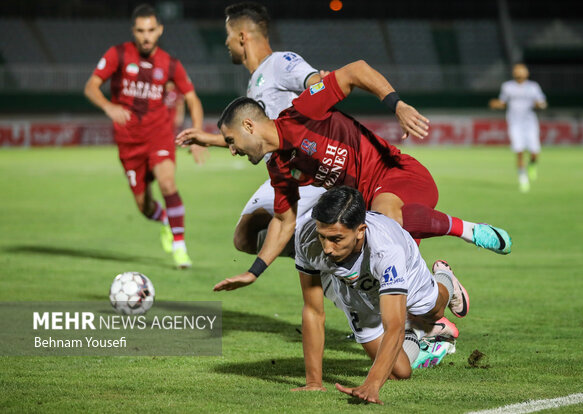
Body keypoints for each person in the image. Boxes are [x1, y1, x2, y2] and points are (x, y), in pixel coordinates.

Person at [191, 59, 511, 292]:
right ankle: (441, 290)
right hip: (372, 206)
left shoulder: (304, 111)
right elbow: (284, 222)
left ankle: (467, 229)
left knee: (380, 225)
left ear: (249, 126)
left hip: (399, 174)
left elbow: (355, 70)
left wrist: (396, 105)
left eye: (231, 141)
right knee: (382, 265)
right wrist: (254, 271)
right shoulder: (280, 167)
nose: (231, 149)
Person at [292, 186, 469, 404]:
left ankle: (444, 278)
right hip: (354, 291)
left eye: (336, 239)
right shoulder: (306, 237)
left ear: (360, 230)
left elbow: (393, 326)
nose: (327, 248)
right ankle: (417, 335)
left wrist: (372, 384)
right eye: (322, 237)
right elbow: (313, 310)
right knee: (399, 373)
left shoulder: (387, 249)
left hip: (406, 272)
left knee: (433, 311)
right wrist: (314, 383)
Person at [176, 1, 326, 257]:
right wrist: (209, 140)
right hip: (281, 173)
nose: (226, 43)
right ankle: (317, 253)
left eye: (229, 36)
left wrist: (318, 90)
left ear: (242, 37)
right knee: (244, 237)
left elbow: (316, 82)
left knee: (267, 232)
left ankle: (330, 255)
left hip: (307, 172)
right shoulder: (255, 81)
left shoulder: (280, 62)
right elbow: (254, 137)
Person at [84, 4, 204, 268]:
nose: (146, 36)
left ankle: (180, 245)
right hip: (128, 143)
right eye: (140, 31)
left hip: (158, 136)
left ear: (159, 30)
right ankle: (162, 219)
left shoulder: (171, 64)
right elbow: (91, 86)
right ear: (133, 31)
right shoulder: (118, 54)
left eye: (151, 30)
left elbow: (192, 98)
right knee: (143, 205)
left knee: (167, 183)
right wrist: (108, 106)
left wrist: (197, 134)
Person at [490, 63, 547, 193]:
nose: (519, 73)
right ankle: (523, 178)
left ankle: (532, 165)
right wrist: (496, 104)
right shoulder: (508, 87)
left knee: (534, 153)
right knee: (519, 151)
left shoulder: (533, 87)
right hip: (515, 123)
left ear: (526, 73)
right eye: (517, 71)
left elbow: (542, 102)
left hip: (530, 123)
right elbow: (503, 102)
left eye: (522, 70)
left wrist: (540, 105)